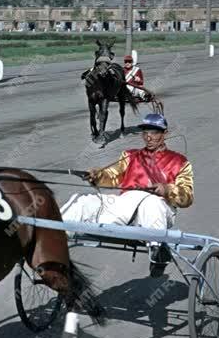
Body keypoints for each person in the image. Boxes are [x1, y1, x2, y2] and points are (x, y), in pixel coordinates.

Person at [60, 113, 193, 276]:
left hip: (159, 207)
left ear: (165, 133)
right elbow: (113, 175)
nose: (149, 137)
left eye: (154, 132)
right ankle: (54, 235)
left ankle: (158, 252)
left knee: (151, 204)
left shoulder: (180, 162)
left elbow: (187, 196)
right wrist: (97, 175)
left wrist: (167, 190)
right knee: (82, 200)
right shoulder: (130, 155)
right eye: (145, 133)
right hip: (125, 205)